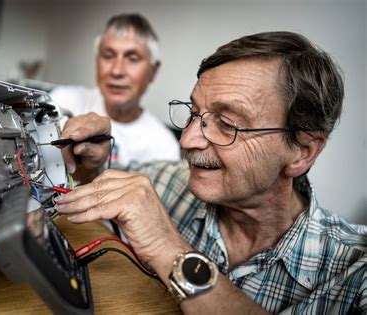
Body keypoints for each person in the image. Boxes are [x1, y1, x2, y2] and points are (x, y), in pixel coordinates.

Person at [54, 31, 367, 313]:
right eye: (194, 114)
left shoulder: (356, 272)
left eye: (227, 124)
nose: (188, 139)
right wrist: (90, 161)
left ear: (302, 151)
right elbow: (91, 186)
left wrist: (169, 249)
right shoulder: (162, 181)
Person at [49, 13, 180, 169]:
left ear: (153, 71)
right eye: (108, 55)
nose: (117, 71)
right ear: (97, 61)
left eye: (132, 59)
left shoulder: (163, 146)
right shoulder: (62, 101)